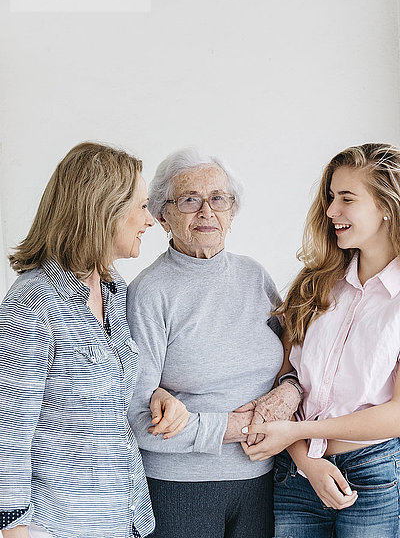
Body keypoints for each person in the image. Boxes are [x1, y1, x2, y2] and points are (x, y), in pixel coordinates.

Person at [0, 142, 188, 538]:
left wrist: (157, 395)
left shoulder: (113, 288)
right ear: (103, 210)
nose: (149, 219)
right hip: (59, 525)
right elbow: (7, 436)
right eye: (140, 206)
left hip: (125, 517)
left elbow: (106, 394)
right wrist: (14, 531)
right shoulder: (32, 304)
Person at [127, 148, 301, 538]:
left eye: (218, 199)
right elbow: (138, 419)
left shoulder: (255, 276)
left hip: (263, 478)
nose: (206, 211)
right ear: (162, 215)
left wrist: (289, 391)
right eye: (189, 200)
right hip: (180, 488)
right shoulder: (150, 293)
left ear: (232, 211)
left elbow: (293, 360)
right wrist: (237, 427)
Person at [241, 143, 400, 537]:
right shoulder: (316, 283)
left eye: (347, 198)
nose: (331, 211)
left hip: (372, 475)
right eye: (330, 197)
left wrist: (295, 434)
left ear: (387, 206)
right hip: (296, 474)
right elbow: (284, 381)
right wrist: (305, 460)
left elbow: (398, 414)